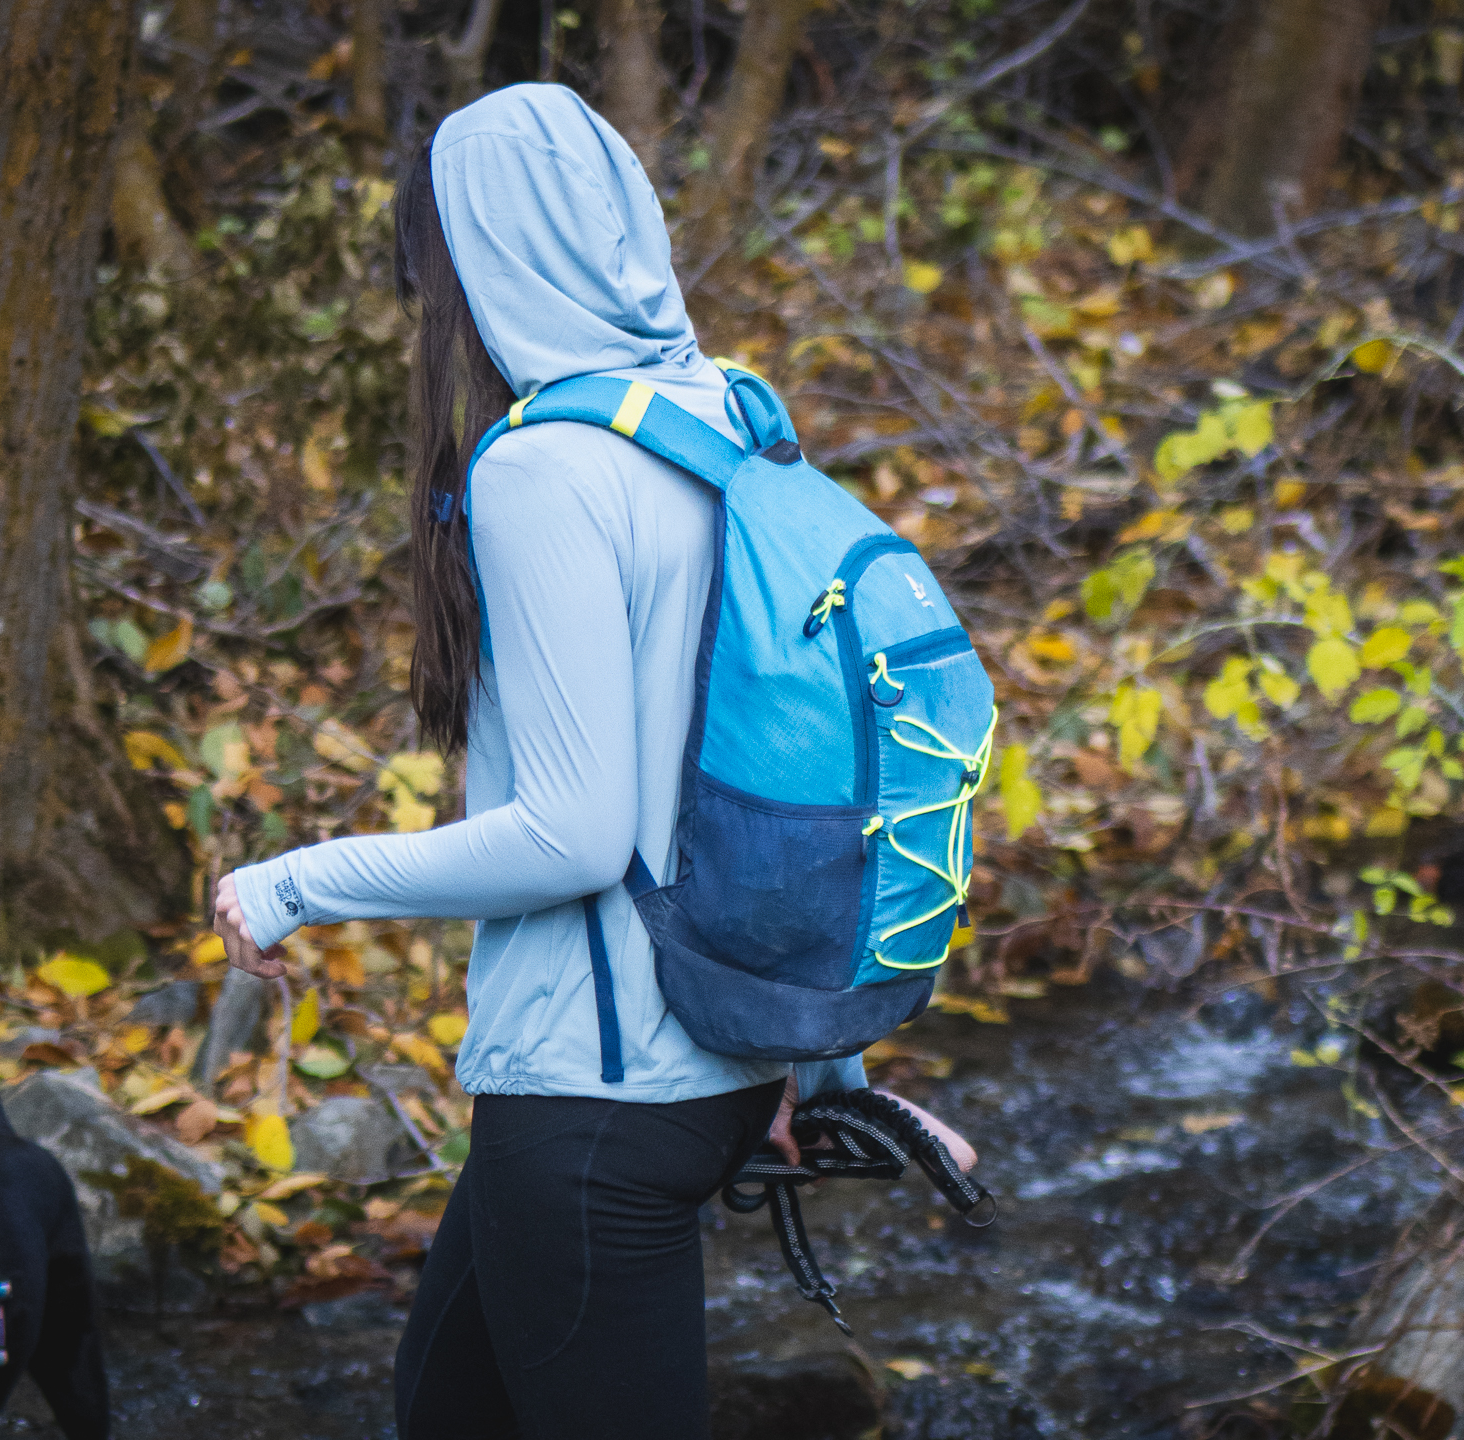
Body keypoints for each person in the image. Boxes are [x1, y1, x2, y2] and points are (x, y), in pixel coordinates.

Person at [211, 83, 975, 1440]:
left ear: (475, 265)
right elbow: (772, 749)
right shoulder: (724, 417)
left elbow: (573, 831)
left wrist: (289, 886)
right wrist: (819, 1062)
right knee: (445, 1406)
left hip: (594, 1100)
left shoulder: (547, 469)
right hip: (716, 1066)